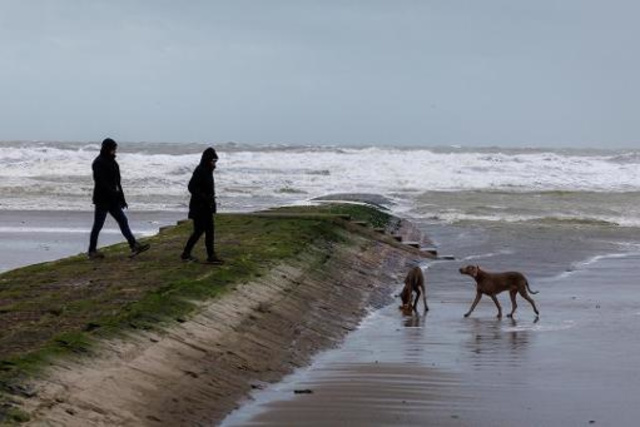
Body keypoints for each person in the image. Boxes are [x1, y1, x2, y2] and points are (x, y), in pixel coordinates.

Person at [88, 138, 150, 259]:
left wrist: (122, 198)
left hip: (113, 200)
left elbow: (117, 182)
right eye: (113, 149)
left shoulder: (113, 162)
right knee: (98, 225)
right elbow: (100, 182)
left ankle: (134, 245)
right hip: (102, 200)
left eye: (115, 149)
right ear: (107, 148)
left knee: (123, 221)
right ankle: (92, 251)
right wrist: (113, 193)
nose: (115, 151)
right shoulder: (98, 162)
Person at [181, 147, 223, 264]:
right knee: (199, 231)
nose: (214, 163)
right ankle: (186, 253)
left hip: (206, 207)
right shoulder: (200, 170)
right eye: (213, 161)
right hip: (199, 207)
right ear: (207, 159)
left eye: (215, 161)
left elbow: (210, 190)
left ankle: (210, 255)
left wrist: (212, 204)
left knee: (209, 230)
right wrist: (204, 197)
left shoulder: (208, 170)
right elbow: (191, 187)